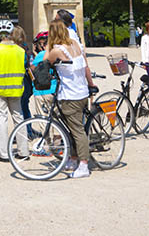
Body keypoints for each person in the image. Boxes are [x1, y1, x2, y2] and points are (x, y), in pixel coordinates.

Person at [44, 20, 91, 179]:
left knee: (77, 131)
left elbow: (44, 62)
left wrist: (47, 45)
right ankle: (73, 158)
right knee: (72, 128)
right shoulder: (75, 44)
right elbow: (85, 66)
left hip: (70, 95)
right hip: (82, 92)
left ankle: (84, 164)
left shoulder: (56, 51)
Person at [0, 19, 27, 163]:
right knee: (19, 119)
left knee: (2, 120)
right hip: (16, 88)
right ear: (12, 33)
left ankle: (4, 153)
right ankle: (23, 151)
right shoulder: (21, 50)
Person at [31, 31, 57, 115]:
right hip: (54, 90)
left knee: (44, 122)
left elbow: (32, 70)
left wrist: (35, 54)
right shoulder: (57, 53)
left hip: (42, 91)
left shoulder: (41, 54)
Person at [12, 26, 33, 121]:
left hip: (19, 79)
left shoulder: (14, 49)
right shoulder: (25, 46)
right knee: (25, 105)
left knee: (19, 108)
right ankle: (28, 128)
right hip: (27, 79)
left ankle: (24, 130)